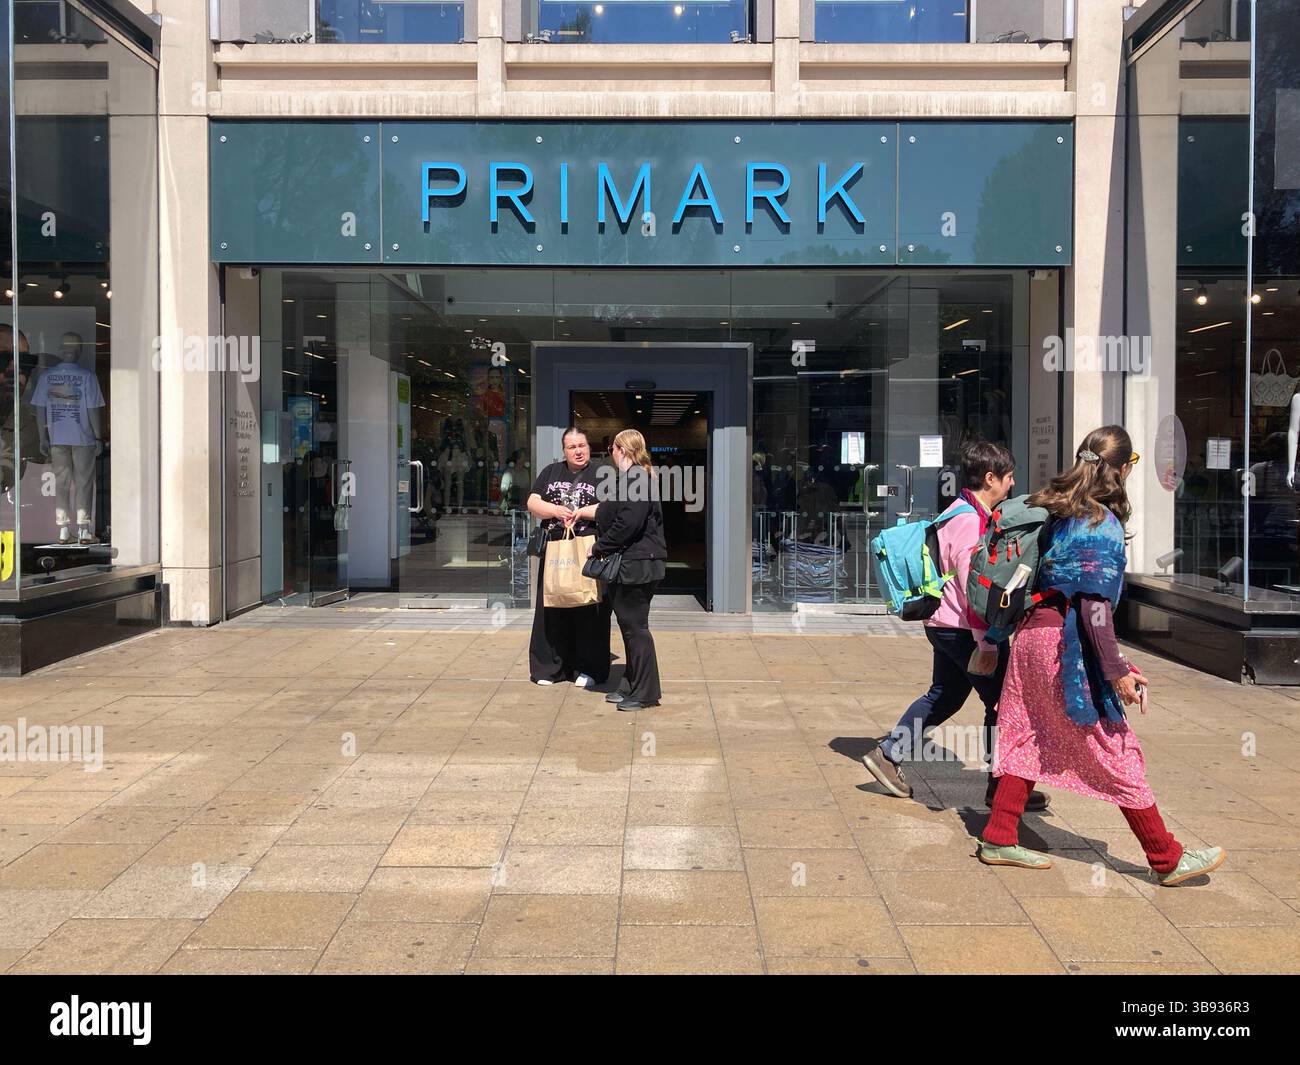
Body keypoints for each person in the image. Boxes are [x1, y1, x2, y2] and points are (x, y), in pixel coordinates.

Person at [978, 426, 1225, 887]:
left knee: (1024, 733)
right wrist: (1117, 674)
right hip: (1062, 648)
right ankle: (1165, 856)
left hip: (1031, 638)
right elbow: (1093, 609)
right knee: (1113, 747)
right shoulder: (1101, 524)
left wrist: (992, 640)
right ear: (1125, 468)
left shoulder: (1056, 510)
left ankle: (998, 835)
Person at [862, 439, 1048, 811]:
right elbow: (972, 587)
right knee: (1004, 702)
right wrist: (988, 644)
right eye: (1008, 478)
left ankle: (889, 754)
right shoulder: (968, 521)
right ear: (991, 478)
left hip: (945, 624)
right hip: (965, 629)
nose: (1012, 485)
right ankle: (1003, 788)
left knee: (945, 695)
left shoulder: (961, 510)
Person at [577, 429, 666, 711]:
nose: (609, 454)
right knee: (629, 627)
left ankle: (646, 692)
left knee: (636, 628)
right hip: (633, 563)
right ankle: (631, 684)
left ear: (622, 450)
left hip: (638, 565)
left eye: (611, 449)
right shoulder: (631, 478)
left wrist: (599, 546)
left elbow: (629, 522)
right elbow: (610, 511)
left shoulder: (638, 478)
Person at [526, 427, 611, 687]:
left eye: (582, 445)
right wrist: (555, 510)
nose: (578, 451)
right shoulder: (551, 472)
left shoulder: (602, 473)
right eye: (572, 447)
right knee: (552, 607)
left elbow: (611, 507)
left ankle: (590, 668)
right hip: (555, 552)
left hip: (588, 550)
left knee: (589, 608)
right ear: (564, 450)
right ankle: (549, 668)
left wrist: (581, 513)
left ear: (589, 447)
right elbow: (532, 502)